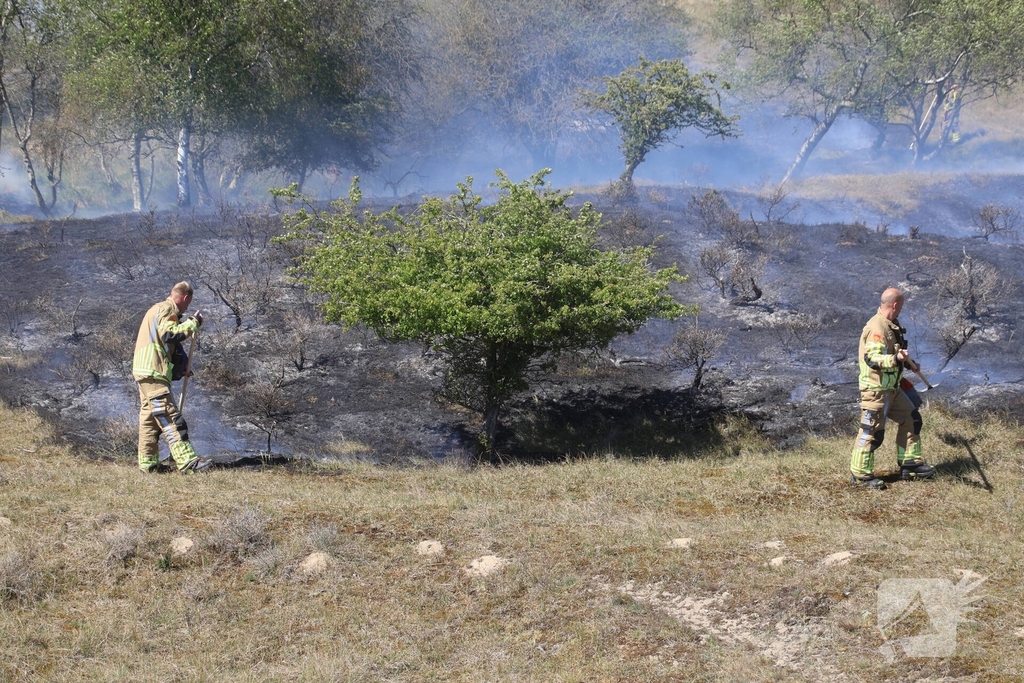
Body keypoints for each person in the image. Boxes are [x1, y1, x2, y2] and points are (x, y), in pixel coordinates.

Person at [849, 287, 935, 489]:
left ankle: (910, 464)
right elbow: (873, 358)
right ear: (895, 305)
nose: (901, 309)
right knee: (872, 432)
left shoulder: (891, 325)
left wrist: (907, 363)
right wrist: (895, 359)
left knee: (912, 418)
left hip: (892, 389)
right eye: (901, 306)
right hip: (876, 390)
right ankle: (861, 475)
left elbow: (895, 352)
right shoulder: (877, 328)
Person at [132, 281, 211, 473]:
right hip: (154, 371)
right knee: (168, 414)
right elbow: (169, 334)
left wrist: (179, 368)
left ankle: (148, 464)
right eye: (188, 304)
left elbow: (167, 345)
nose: (186, 308)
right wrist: (192, 323)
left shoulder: (156, 310)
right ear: (185, 298)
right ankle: (187, 461)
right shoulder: (167, 309)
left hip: (145, 371)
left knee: (149, 419)